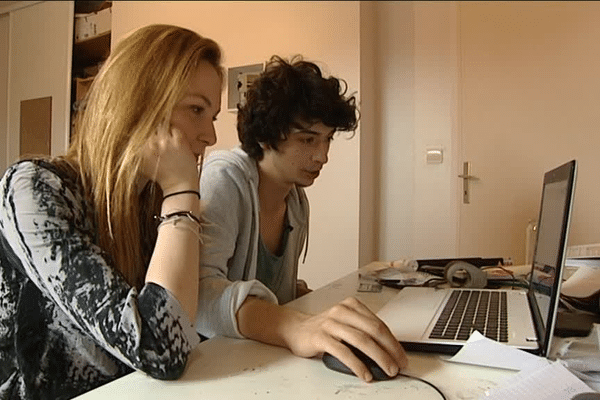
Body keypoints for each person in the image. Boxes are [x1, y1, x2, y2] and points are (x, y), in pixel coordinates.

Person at [0, 24, 223, 399]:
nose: (211, 136)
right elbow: (161, 348)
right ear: (138, 106)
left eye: (212, 116)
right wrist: (183, 192)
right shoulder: (35, 190)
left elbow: (192, 327)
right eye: (196, 110)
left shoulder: (150, 204)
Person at [196, 55, 408, 382]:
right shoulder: (225, 178)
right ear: (266, 136)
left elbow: (272, 292)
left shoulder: (295, 199)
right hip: (211, 369)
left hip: (262, 363)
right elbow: (200, 296)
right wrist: (292, 324)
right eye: (308, 140)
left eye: (327, 140)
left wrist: (303, 302)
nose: (322, 156)